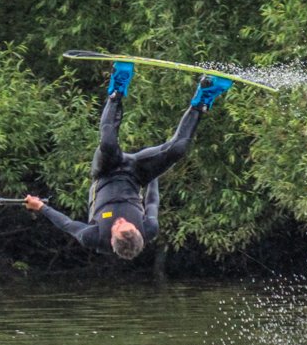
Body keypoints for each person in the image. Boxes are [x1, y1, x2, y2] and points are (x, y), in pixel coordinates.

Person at [25, 62, 232, 259]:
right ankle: (204, 96)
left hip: (105, 172)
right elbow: (152, 201)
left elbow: (67, 224)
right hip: (137, 176)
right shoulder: (149, 229)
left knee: (107, 144)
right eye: (129, 225)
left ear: (112, 238)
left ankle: (117, 87)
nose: (122, 221)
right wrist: (155, 170)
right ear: (138, 231)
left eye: (119, 225)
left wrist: (40, 207)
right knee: (177, 149)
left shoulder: (93, 237)